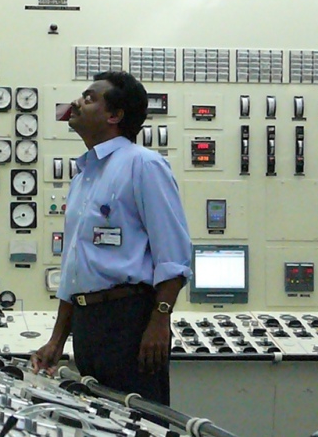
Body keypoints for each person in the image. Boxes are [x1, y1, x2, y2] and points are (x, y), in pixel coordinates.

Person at [30, 71, 192, 407]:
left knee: (140, 421)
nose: (76, 102)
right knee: (97, 419)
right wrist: (57, 340)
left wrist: (160, 320)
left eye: (89, 98)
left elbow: (174, 257)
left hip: (129, 323)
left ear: (115, 115)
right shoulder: (84, 176)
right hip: (87, 326)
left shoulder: (144, 165)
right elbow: (74, 269)